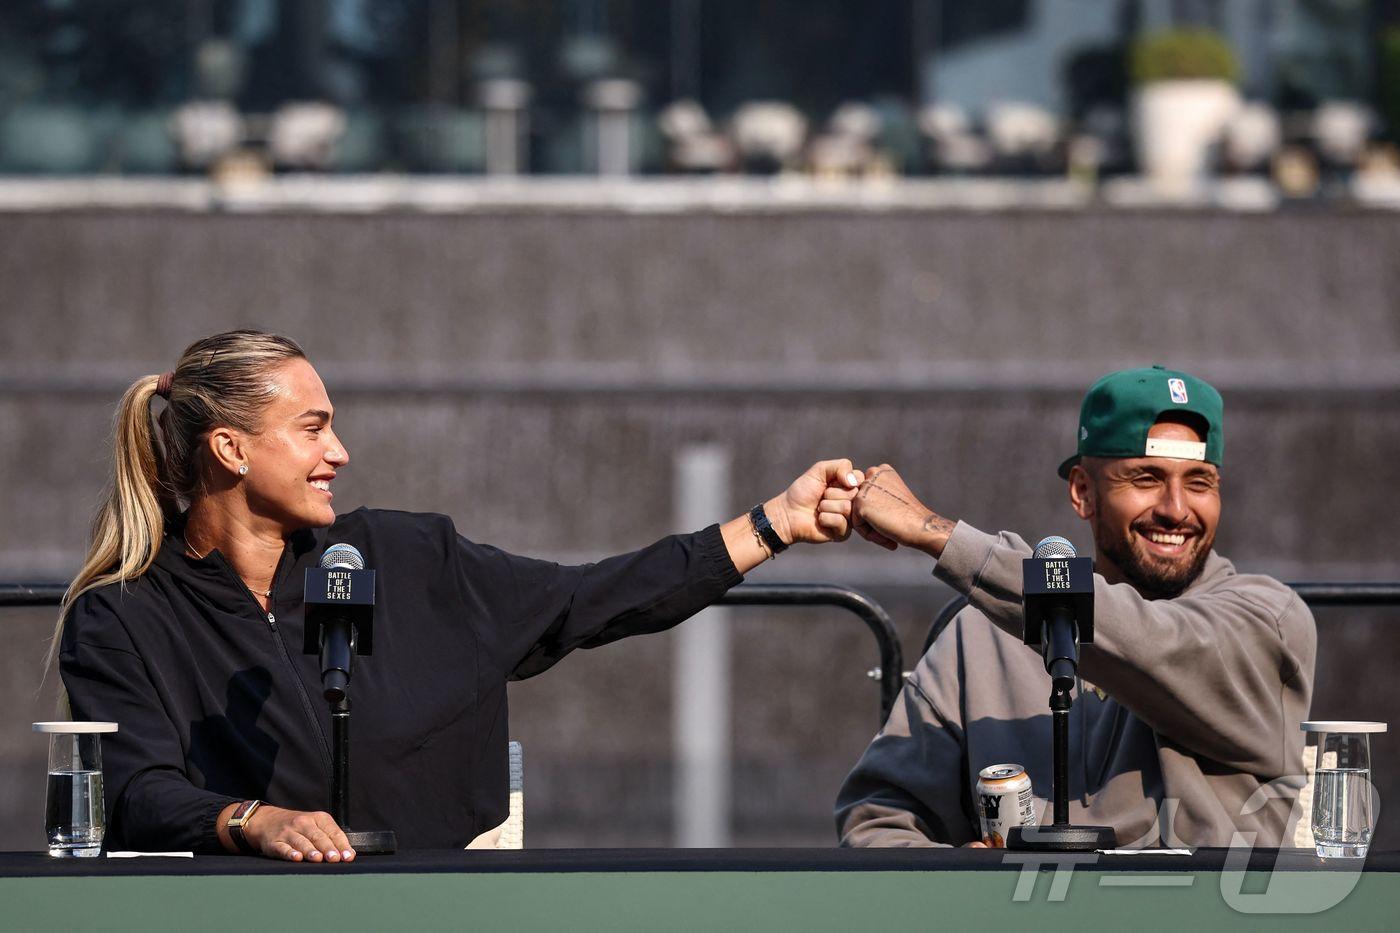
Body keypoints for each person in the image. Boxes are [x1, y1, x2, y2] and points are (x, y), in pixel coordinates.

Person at [57, 329, 865, 862]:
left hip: (436, 902)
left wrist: (775, 523)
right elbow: (135, 791)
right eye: (312, 428)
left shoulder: (410, 556)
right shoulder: (120, 615)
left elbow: (589, 598)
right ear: (231, 449)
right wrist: (252, 820)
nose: (339, 450)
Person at [833, 366, 1317, 849]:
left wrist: (937, 535)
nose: (1175, 508)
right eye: (1146, 478)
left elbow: (1157, 643)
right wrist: (962, 878)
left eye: (1199, 482)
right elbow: (877, 822)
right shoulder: (979, 636)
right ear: (1084, 492)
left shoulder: (1269, 620)